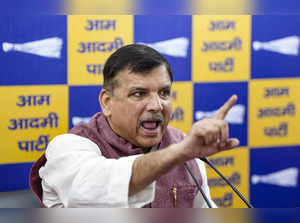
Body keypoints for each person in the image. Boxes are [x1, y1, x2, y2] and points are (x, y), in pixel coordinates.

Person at [30, 44, 240, 208]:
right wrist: (179, 152)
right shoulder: (68, 147)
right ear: (107, 102)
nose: (157, 105)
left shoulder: (184, 148)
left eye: (164, 93)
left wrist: (182, 151)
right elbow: (96, 190)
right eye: (139, 93)